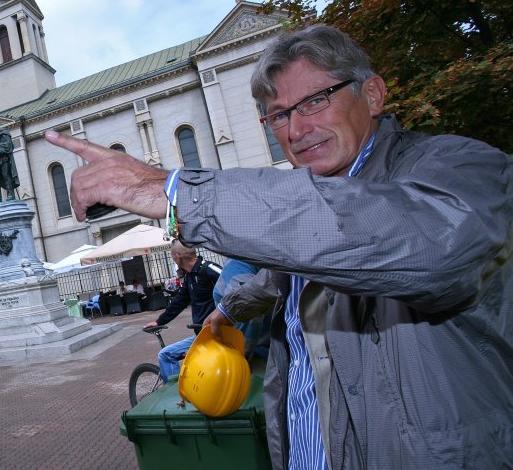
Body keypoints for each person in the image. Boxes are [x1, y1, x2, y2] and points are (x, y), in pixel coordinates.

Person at [45, 24, 512, 469]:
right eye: (279, 115)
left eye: (315, 100)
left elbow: (416, 243)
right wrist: (229, 310)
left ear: (372, 94)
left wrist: (174, 191)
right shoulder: (308, 218)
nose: (295, 129)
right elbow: (289, 274)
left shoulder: (462, 167)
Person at [143, 240, 221, 381]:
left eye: (172, 256)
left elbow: (234, 287)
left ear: (177, 257)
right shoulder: (189, 276)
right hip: (203, 334)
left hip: (214, 335)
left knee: (165, 355)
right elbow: (179, 301)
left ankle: (176, 397)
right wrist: (159, 321)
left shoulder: (208, 269)